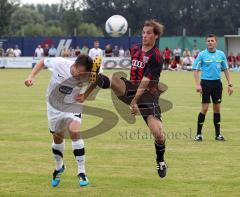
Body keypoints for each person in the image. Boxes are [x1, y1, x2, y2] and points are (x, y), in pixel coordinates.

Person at [95, 20, 168, 178]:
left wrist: (134, 101)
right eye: (143, 32)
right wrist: (112, 36)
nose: (145, 35)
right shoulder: (135, 48)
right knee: (114, 79)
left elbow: (146, 81)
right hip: (130, 88)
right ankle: (92, 76)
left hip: (148, 95)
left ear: (156, 35)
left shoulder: (156, 56)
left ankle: (160, 160)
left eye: (148, 33)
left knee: (159, 134)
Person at [24, 54, 99, 187]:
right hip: (54, 106)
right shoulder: (59, 63)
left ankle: (82, 172)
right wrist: (31, 77)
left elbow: (98, 80)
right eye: (79, 73)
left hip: (72, 105)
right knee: (57, 139)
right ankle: (59, 167)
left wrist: (85, 95)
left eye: (83, 75)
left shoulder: (88, 73)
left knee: (74, 131)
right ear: (74, 65)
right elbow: (42, 62)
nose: (79, 77)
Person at [192, 34, 233, 141]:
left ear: (216, 42)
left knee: (217, 109)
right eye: (208, 41)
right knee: (204, 109)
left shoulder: (221, 54)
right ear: (206, 43)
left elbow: (226, 70)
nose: (210, 42)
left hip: (217, 85)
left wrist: (230, 84)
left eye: (212, 41)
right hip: (205, 84)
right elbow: (195, 69)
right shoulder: (202, 54)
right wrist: (197, 84)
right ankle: (198, 134)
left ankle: (218, 134)